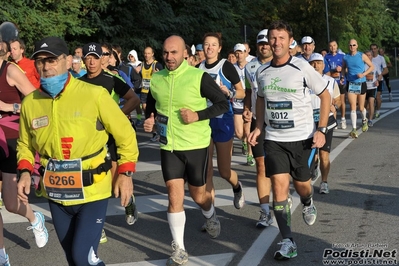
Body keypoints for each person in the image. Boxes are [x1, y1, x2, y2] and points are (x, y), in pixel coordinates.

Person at [16, 36, 139, 266]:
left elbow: (126, 135)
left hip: (92, 192)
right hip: (56, 194)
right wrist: (24, 170)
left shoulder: (94, 94)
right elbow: (24, 144)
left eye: (51, 60)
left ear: (68, 60)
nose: (46, 67)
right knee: (73, 259)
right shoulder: (31, 102)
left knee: (84, 258)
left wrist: (125, 173)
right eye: (40, 61)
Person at [248, 20, 331, 260]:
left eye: (281, 38)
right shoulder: (262, 72)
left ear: (289, 41)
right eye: (272, 38)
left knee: (302, 184)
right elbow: (261, 99)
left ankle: (307, 200)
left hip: (302, 139)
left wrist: (321, 129)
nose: (276, 42)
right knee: (279, 187)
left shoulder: (302, 67)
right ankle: (288, 240)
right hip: (274, 139)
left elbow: (325, 96)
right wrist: (259, 127)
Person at [143, 35, 229, 266]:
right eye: (166, 53)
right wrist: (149, 122)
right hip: (168, 146)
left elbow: (223, 104)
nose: (169, 57)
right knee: (174, 196)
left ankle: (209, 214)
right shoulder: (157, 79)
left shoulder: (198, 77)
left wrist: (197, 116)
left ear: (185, 54)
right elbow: (150, 109)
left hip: (195, 145)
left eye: (174, 53)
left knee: (199, 196)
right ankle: (179, 248)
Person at [78, 42, 139, 233]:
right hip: (89, 137)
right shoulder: (78, 83)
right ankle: (98, 225)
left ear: (101, 59)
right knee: (95, 180)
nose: (91, 62)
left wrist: (117, 116)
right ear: (83, 60)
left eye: (95, 58)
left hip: (110, 135)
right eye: (88, 58)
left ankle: (129, 201)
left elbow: (134, 99)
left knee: (114, 183)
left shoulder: (111, 79)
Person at [0, 39, 40, 266]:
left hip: (11, 137)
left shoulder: (10, 70)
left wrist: (8, 107)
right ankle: (2, 255)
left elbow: (36, 102)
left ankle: (35, 218)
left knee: (11, 204)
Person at [198, 32, 246, 212]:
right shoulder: (197, 68)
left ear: (219, 48)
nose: (209, 47)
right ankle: (211, 214)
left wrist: (230, 93)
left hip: (223, 120)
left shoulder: (225, 66)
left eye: (213, 44)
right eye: (206, 44)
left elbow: (241, 91)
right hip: (204, 121)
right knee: (207, 170)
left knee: (224, 171)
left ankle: (237, 186)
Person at [243, 29, 274, 228]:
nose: (264, 46)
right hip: (258, 122)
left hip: (281, 122)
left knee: (281, 167)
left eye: (266, 43)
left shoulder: (281, 64)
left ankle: (282, 196)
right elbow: (248, 91)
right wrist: (247, 108)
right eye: (260, 43)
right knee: (261, 166)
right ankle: (264, 211)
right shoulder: (250, 67)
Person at [308, 53, 341, 194]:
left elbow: (338, 100)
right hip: (308, 120)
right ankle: (314, 166)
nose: (316, 65)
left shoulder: (330, 81)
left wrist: (335, 105)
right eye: (313, 63)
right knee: (311, 153)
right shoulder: (304, 80)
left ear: (323, 65)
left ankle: (324, 182)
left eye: (319, 63)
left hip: (325, 119)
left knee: (324, 154)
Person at [341, 39, 374, 138]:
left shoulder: (361, 55)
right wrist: (343, 76)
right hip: (351, 83)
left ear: (357, 46)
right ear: (348, 46)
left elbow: (371, 67)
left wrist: (363, 74)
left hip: (361, 83)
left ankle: (364, 120)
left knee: (361, 107)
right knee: (352, 107)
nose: (352, 47)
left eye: (354, 45)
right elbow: (343, 68)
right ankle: (354, 129)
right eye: (350, 45)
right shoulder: (346, 57)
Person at [233, 43, 253, 166]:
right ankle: (243, 141)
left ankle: (250, 155)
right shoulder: (231, 68)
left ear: (246, 53)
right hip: (236, 103)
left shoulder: (251, 67)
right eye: (237, 52)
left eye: (241, 52)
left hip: (249, 102)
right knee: (239, 133)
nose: (239, 55)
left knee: (248, 130)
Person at [142, 46, 163, 141]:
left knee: (153, 112)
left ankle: (156, 132)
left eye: (149, 53)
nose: (146, 55)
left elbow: (162, 75)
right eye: (145, 53)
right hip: (144, 91)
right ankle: (153, 128)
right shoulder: (142, 65)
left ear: (152, 54)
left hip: (154, 91)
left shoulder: (157, 65)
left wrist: (157, 74)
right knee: (145, 109)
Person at [325, 40, 347, 129]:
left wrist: (341, 69)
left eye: (334, 45)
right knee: (332, 102)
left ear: (337, 46)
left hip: (341, 81)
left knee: (341, 102)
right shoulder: (326, 57)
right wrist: (332, 71)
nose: (332, 47)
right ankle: (334, 120)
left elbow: (347, 69)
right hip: (331, 83)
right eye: (330, 46)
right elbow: (325, 71)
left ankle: (343, 119)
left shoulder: (342, 56)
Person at [370, 44, 388, 119]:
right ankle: (371, 111)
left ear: (377, 49)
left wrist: (380, 75)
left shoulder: (381, 58)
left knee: (377, 97)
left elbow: (386, 70)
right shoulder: (368, 58)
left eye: (375, 49)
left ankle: (378, 111)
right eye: (372, 49)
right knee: (371, 98)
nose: (373, 50)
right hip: (370, 81)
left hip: (379, 80)